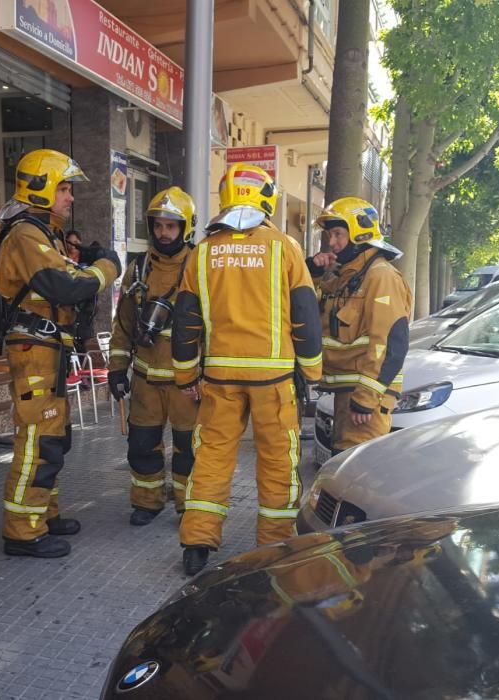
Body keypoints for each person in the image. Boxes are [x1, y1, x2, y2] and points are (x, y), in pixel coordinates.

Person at [171, 163, 323, 575]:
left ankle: (197, 543)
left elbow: (185, 322)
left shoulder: (203, 253)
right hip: (272, 381)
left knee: (212, 458)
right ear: (266, 198)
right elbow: (306, 316)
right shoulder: (284, 248)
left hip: (219, 378)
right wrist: (312, 373)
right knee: (277, 461)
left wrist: (185, 376)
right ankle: (273, 549)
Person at [0, 148, 121, 558]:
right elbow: (65, 287)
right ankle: (22, 531)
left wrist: (86, 263)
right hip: (34, 352)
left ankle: (43, 516)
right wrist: (107, 269)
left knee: (53, 437)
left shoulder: (41, 233)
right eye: (63, 188)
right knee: (37, 441)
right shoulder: (26, 235)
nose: (69, 197)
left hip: (47, 351)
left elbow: (65, 278)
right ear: (41, 187)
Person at [107, 187, 199, 526]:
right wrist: (117, 369)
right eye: (158, 225)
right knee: (142, 445)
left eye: (171, 226)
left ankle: (189, 507)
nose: (163, 233)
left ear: (186, 227)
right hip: (146, 380)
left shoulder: (200, 266)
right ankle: (147, 501)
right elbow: (124, 324)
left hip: (187, 384)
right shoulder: (139, 268)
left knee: (188, 450)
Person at [307, 197, 412, 456]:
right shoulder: (350, 276)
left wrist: (366, 400)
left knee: (358, 473)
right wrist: (313, 272)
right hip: (349, 395)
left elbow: (389, 343)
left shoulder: (380, 276)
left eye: (338, 234)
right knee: (343, 469)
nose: (332, 243)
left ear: (360, 231)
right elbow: (310, 305)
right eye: (331, 235)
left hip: (367, 403)